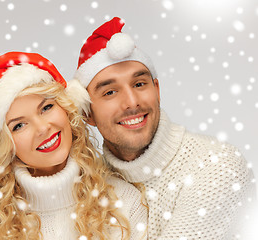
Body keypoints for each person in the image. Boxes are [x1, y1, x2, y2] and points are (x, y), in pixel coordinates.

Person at [71, 17, 257, 239]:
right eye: (110, 92)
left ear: (157, 90)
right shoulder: (92, 184)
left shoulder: (217, 165)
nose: (131, 102)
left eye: (139, 84)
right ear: (86, 113)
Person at [0, 52, 148, 240]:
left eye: (46, 108)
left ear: (67, 110)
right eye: (19, 125)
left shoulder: (125, 202)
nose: (42, 128)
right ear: (5, 145)